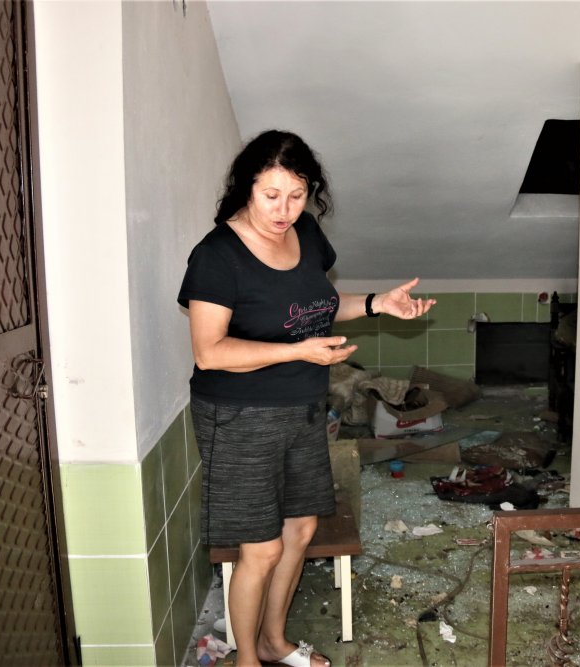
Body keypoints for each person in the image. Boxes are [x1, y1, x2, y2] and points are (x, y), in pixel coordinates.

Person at [177, 129, 435, 667]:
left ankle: (273, 641)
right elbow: (209, 351)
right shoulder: (217, 255)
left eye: (296, 195)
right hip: (238, 414)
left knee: (301, 529)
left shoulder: (307, 235)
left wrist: (377, 303)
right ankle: (247, 660)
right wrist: (297, 352)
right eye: (271, 195)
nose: (284, 209)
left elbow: (317, 305)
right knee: (262, 547)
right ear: (247, 187)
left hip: (302, 405)